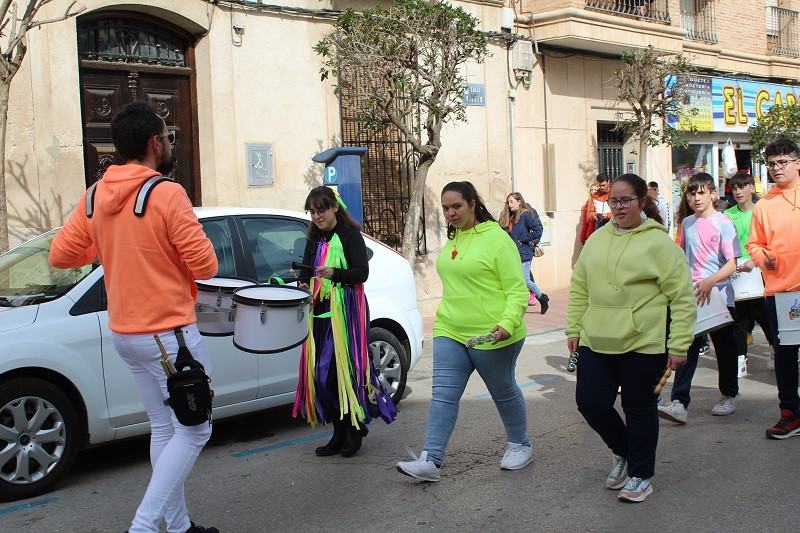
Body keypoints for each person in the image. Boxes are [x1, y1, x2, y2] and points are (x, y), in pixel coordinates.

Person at [49, 102, 219, 533]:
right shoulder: (166, 193)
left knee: (165, 428)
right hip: (169, 337)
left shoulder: (94, 196)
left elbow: (61, 254)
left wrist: (110, 244)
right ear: (152, 143)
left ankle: (177, 525)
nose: (169, 144)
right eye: (167, 137)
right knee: (195, 431)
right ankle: (143, 527)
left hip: (127, 333)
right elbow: (205, 266)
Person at [568, 172, 694, 503]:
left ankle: (641, 474)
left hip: (643, 342)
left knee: (638, 408)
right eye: (614, 200)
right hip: (596, 339)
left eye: (626, 200)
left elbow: (682, 297)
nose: (620, 207)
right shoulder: (596, 239)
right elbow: (580, 286)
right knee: (590, 403)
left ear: (642, 202)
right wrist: (573, 328)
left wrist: (679, 344)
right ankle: (624, 453)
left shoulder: (659, 244)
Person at [396, 181, 530, 481]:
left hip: (492, 333)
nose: (450, 213)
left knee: (503, 391)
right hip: (450, 328)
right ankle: (431, 459)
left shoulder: (497, 240)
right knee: (443, 394)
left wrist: (507, 324)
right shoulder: (455, 236)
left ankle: (521, 444)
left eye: (456, 206)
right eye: (445, 208)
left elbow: (517, 291)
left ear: (472, 204)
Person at [293, 186, 396, 457]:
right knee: (322, 375)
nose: (316, 216)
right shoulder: (314, 238)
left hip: (347, 312)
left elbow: (361, 273)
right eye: (312, 211)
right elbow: (305, 270)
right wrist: (303, 283)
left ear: (335, 207)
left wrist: (334, 273)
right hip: (320, 312)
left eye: (321, 210)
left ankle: (353, 429)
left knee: (344, 372)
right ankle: (339, 432)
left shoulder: (350, 235)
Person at [658, 172, 741, 425]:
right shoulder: (687, 224)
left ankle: (729, 395)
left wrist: (710, 281)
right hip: (692, 295)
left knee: (725, 349)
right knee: (686, 347)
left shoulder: (724, 223)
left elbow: (732, 264)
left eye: (702, 192)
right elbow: (682, 258)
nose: (696, 197)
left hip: (719, 296)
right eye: (692, 193)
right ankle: (679, 402)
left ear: (713, 194)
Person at [746, 139, 800, 439]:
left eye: (783, 162)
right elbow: (754, 243)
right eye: (772, 164)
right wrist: (761, 257)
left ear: (797, 162)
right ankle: (790, 413)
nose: (777, 168)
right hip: (780, 294)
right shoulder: (764, 205)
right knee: (785, 355)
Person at [723, 172, 775, 375]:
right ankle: (740, 358)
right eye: (734, 188)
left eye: (742, 186)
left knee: (764, 314)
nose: (738, 192)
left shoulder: (763, 211)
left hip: (761, 270)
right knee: (739, 319)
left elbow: (771, 240)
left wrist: (755, 261)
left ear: (752, 188)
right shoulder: (728, 215)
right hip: (737, 272)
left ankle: (773, 348)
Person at [499, 192, 550, 314]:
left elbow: (537, 230)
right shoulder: (509, 216)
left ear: (519, 201)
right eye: (508, 202)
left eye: (512, 202)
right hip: (513, 253)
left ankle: (542, 298)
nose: (509, 205)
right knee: (516, 279)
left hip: (524, 252)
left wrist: (523, 239)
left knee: (525, 280)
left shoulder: (525, 215)